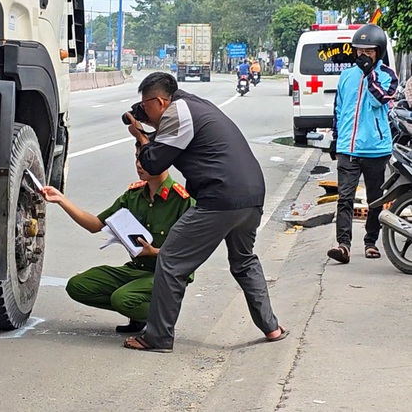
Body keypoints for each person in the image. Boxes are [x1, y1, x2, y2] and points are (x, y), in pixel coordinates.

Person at [122, 72, 287, 353]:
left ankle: (158, 338)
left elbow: (153, 162)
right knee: (244, 261)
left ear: (160, 101)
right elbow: (170, 145)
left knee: (171, 261)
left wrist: (140, 134)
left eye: (145, 106)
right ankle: (271, 328)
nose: (143, 111)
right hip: (251, 195)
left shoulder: (177, 113)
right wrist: (149, 132)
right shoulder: (193, 106)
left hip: (220, 199)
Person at [41, 142, 195, 333]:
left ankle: (163, 314)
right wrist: (61, 200)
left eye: (145, 159)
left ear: (165, 161)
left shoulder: (183, 201)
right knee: (78, 286)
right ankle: (139, 312)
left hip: (167, 274)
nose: (139, 164)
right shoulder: (134, 196)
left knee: (122, 298)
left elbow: (193, 249)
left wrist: (154, 251)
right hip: (137, 270)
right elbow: (95, 225)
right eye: (137, 157)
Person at [327, 24, 398, 263]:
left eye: (369, 51)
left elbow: (381, 98)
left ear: (378, 52)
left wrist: (370, 73)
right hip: (348, 148)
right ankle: (343, 245)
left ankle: (371, 242)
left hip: (376, 149)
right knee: (344, 198)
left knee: (374, 199)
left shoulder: (387, 75)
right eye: (359, 51)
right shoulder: (347, 76)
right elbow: (338, 110)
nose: (363, 56)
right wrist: (336, 140)